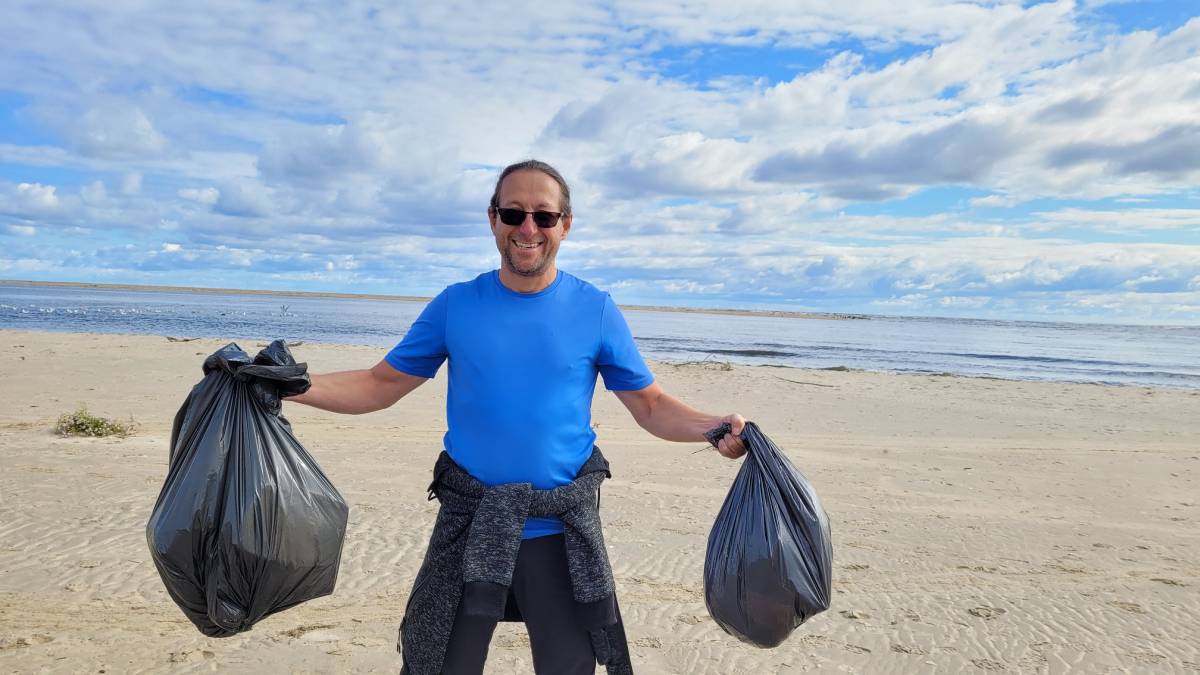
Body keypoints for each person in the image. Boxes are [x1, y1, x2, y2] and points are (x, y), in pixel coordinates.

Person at [287, 159, 746, 674]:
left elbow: (652, 405)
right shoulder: (455, 305)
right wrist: (290, 385)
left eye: (544, 217)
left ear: (565, 225)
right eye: (514, 213)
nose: (528, 229)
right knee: (439, 664)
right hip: (470, 521)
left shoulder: (594, 309)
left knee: (570, 666)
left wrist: (712, 428)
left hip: (558, 527)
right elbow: (380, 384)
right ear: (493, 219)